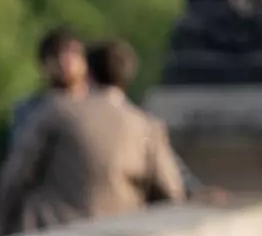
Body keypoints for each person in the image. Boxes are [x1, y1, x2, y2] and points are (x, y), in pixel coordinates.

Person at [0, 41, 187, 236]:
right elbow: (171, 193)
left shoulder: (56, 112)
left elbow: (15, 178)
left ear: (87, 72)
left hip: (52, 234)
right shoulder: (146, 126)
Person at [85, 38, 220, 203]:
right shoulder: (145, 125)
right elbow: (172, 183)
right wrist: (196, 190)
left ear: (88, 75)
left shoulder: (66, 118)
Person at [8, 26, 88, 145]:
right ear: (43, 65)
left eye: (72, 54)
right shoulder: (29, 111)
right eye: (56, 55)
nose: (64, 62)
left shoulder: (99, 110)